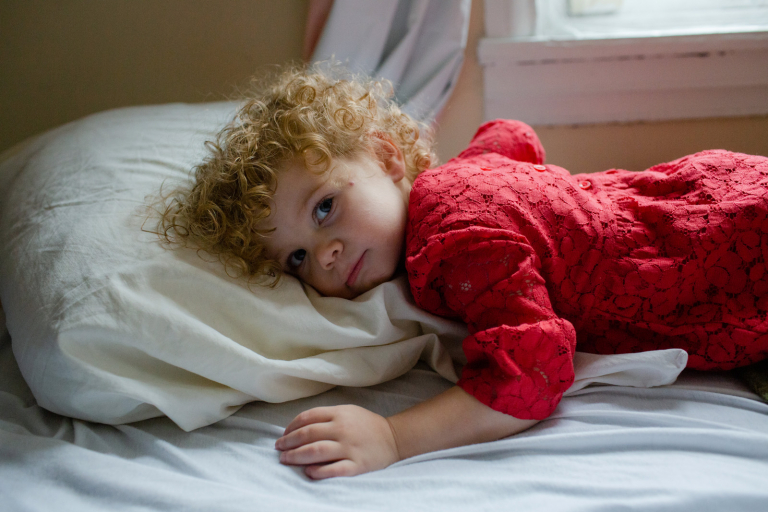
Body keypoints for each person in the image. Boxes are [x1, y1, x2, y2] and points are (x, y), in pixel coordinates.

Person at [159, 63, 768, 480]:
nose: (324, 256)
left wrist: (395, 439)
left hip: (729, 255)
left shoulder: (453, 243)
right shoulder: (451, 181)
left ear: (385, 156)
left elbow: (536, 366)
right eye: (296, 258)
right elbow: (511, 138)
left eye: (325, 208)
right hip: (711, 189)